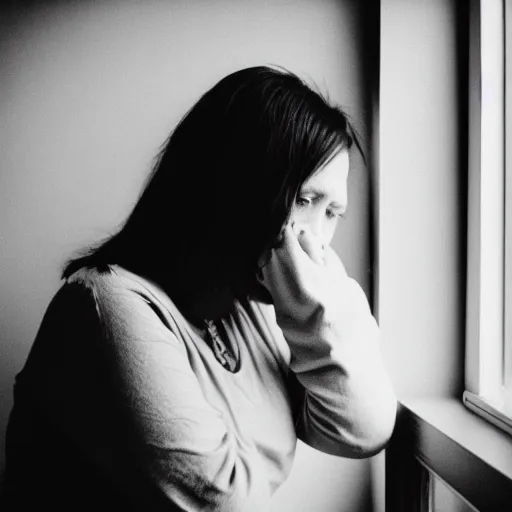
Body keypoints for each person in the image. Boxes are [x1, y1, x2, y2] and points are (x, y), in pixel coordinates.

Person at [1, 66, 397, 511]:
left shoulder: (251, 307)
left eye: (332, 213)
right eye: (305, 201)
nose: (317, 239)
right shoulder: (106, 305)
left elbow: (361, 428)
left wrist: (319, 303)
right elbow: (225, 503)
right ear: (239, 186)